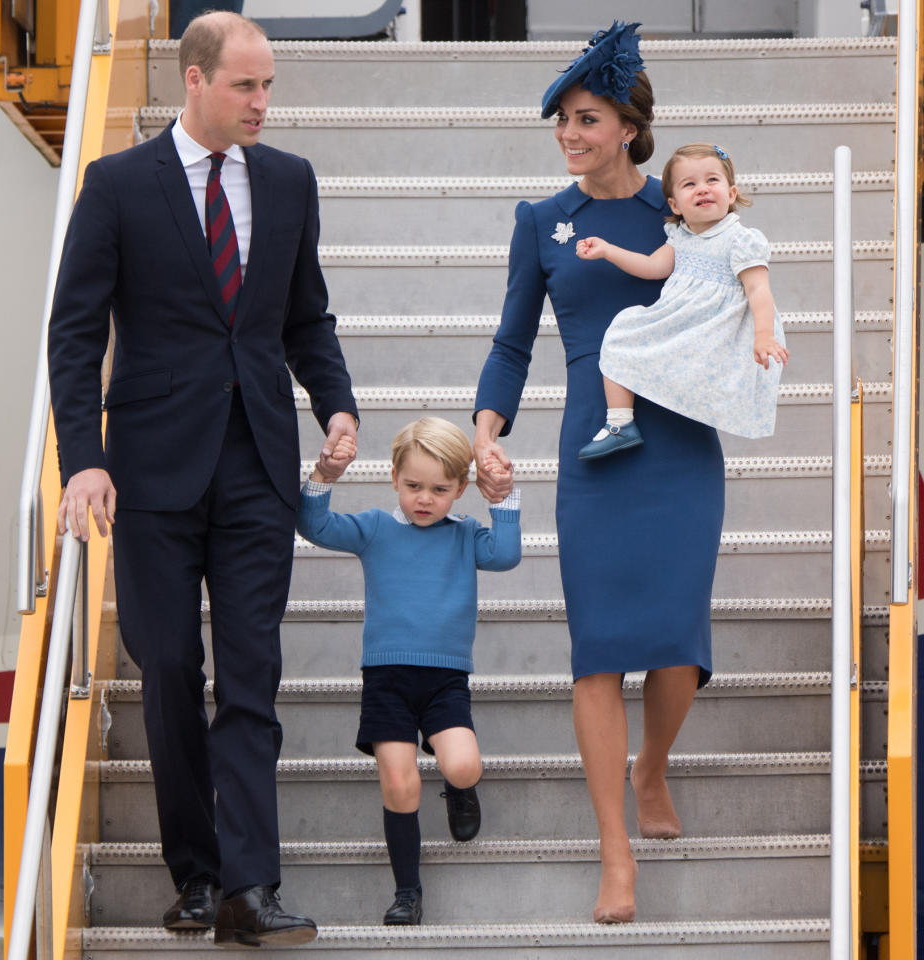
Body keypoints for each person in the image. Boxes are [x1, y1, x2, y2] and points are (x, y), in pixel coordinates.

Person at [47, 12, 359, 948]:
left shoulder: (292, 182)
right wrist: (83, 460)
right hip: (148, 470)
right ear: (194, 80)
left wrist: (334, 407)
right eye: (246, 86)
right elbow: (75, 335)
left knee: (251, 674)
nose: (264, 103)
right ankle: (195, 876)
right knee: (173, 667)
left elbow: (307, 316)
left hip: (257, 461)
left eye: (269, 86)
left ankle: (250, 889)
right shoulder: (115, 185)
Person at [473, 21, 724, 924]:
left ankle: (652, 765)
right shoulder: (543, 223)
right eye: (560, 124)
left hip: (684, 442)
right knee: (598, 656)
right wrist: (485, 430)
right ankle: (615, 853)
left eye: (584, 120)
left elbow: (742, 288)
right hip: (594, 448)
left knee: (678, 645)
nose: (569, 137)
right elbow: (512, 341)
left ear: (626, 126)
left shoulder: (682, 209)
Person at [296, 417, 521, 926]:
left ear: (460, 488)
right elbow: (314, 526)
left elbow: (506, 554)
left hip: (444, 682)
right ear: (394, 477)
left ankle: (460, 788)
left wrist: (503, 494)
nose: (425, 499)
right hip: (387, 680)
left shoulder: (464, 535)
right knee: (400, 784)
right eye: (414, 486)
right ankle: (407, 891)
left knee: (462, 764)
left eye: (440, 489)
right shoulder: (376, 528)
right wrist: (323, 477)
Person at [575, 142, 788, 460]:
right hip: (681, 326)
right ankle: (621, 423)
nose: (702, 189)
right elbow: (651, 267)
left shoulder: (741, 240)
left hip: (717, 331)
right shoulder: (680, 237)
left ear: (730, 194)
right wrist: (608, 250)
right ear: (675, 205)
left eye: (712, 180)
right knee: (623, 331)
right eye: (690, 184)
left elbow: (759, 290)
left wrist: (763, 335)